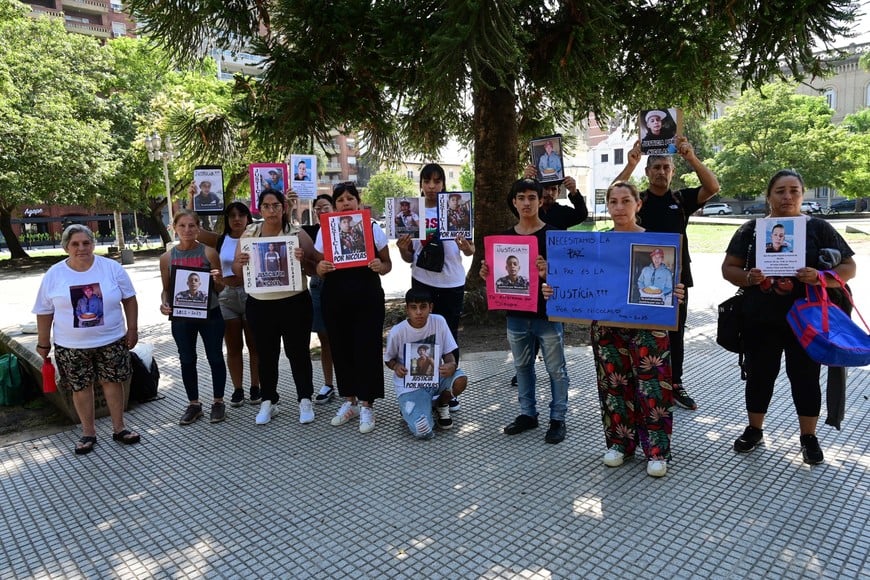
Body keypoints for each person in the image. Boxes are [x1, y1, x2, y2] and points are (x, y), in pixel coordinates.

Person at [545, 181, 683, 476]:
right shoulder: (595, 245)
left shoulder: (657, 245)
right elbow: (577, 280)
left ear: (638, 204)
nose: (619, 207)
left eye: (625, 201)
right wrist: (554, 290)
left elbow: (668, 287)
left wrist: (677, 292)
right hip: (607, 327)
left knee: (654, 387)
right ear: (607, 206)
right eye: (613, 202)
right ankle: (619, 443)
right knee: (613, 386)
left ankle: (657, 451)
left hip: (649, 326)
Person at [721, 169, 856, 465]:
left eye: (794, 190)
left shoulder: (819, 228)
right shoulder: (752, 230)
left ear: (802, 193)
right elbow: (728, 268)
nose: (787, 196)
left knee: (806, 378)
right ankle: (754, 429)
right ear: (768, 195)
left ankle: (808, 436)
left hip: (807, 321)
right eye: (780, 191)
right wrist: (748, 277)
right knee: (759, 376)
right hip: (761, 318)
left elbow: (848, 268)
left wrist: (821, 277)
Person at [613, 136, 720, 410]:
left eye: (666, 167)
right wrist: (631, 163)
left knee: (675, 332)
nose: (661, 172)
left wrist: (691, 158)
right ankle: (644, 382)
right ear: (647, 173)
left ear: (672, 172)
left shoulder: (681, 198)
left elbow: (713, 186)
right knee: (641, 330)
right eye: (656, 167)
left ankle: (675, 385)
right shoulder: (639, 200)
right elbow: (614, 192)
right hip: (640, 278)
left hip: (677, 280)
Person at [33, 224, 140, 454]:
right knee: (80, 387)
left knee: (113, 382)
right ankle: (88, 433)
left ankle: (119, 428)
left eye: (86, 243)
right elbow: (44, 311)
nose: (81, 248)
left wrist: (132, 329)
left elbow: (129, 299)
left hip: (111, 340)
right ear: (66, 247)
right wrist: (43, 342)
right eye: (75, 244)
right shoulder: (54, 274)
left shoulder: (111, 268)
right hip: (71, 345)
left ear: (93, 244)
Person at [479, 178, 570, 444]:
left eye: (532, 197)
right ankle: (528, 414)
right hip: (516, 315)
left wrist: (548, 273)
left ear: (541, 201)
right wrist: (487, 274)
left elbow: (568, 278)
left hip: (548, 316)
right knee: (522, 367)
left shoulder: (554, 235)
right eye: (521, 197)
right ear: (514, 202)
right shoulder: (504, 240)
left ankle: (558, 418)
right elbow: (497, 278)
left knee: (556, 369)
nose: (527, 202)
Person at [233, 190, 319, 425]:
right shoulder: (250, 234)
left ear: (284, 207)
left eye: (276, 205)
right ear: (259, 209)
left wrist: (305, 260)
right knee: (265, 354)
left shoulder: (297, 234)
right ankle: (268, 401)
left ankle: (305, 398)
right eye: (267, 206)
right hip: (260, 304)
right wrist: (240, 263)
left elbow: (315, 268)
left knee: (298, 353)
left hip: (294, 303)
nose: (272, 210)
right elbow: (238, 273)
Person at [397, 163, 474, 415]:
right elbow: (410, 258)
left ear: (443, 184)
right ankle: (423, 390)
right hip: (422, 281)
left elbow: (470, 250)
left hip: (452, 283)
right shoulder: (414, 213)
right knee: (422, 338)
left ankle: (448, 392)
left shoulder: (457, 209)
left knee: (449, 337)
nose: (431, 186)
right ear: (420, 184)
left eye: (437, 181)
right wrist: (403, 247)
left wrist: (466, 247)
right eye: (427, 181)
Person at [315, 182, 392, 433]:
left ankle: (367, 405)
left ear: (358, 202)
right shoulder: (325, 230)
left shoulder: (371, 227)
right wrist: (321, 268)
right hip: (335, 296)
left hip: (367, 295)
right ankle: (349, 401)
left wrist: (380, 266)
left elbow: (387, 263)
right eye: (340, 200)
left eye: (350, 198)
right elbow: (318, 263)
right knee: (341, 347)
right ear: (335, 205)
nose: (345, 203)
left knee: (367, 347)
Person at [160, 210, 228, 425]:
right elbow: (166, 289)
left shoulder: (208, 253)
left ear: (198, 228)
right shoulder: (167, 257)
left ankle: (218, 402)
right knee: (187, 359)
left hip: (211, 313)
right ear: (174, 228)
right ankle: (194, 404)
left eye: (192, 226)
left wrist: (218, 280)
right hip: (182, 317)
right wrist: (164, 303)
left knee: (215, 357)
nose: (187, 230)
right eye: (182, 226)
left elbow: (220, 287)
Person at [196, 201, 261, 408]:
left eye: (241, 215)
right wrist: (192, 199)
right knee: (233, 347)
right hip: (226, 297)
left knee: (254, 346)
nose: (237, 219)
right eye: (232, 215)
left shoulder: (257, 237)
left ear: (248, 218)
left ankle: (255, 387)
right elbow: (195, 229)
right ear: (227, 219)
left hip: (252, 294)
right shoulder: (220, 240)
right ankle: (238, 389)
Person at [384, 288, 469, 438]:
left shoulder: (439, 322)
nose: (418, 312)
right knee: (423, 431)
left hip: (436, 378)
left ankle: (441, 404)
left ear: (431, 307)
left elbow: (448, 352)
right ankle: (411, 408)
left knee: (460, 380)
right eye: (413, 307)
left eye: (423, 307)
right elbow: (388, 359)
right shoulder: (397, 332)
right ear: (407, 309)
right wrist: (396, 366)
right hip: (410, 386)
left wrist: (452, 365)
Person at [302, 194, 337, 404]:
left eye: (325, 207)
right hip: (318, 286)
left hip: (344, 285)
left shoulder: (344, 226)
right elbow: (308, 265)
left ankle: (352, 384)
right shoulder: (310, 232)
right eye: (318, 209)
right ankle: (328, 383)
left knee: (346, 336)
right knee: (325, 337)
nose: (321, 211)